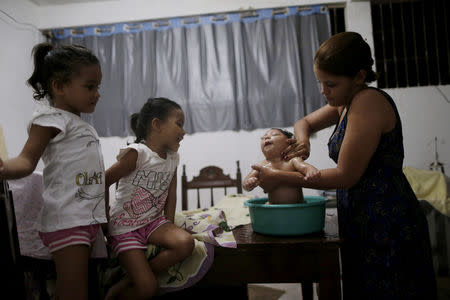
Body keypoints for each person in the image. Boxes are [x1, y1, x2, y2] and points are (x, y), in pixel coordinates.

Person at [251, 32, 437, 299]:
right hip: (358, 212)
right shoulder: (344, 103)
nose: (323, 91)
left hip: (384, 215)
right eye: (320, 82)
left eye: (331, 84)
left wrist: (277, 177)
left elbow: (345, 175)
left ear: (359, 77)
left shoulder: (368, 102)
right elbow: (304, 123)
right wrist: (303, 143)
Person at [0, 43, 107, 300]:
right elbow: (26, 161)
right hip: (67, 220)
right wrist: (4, 167)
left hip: (84, 218)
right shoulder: (50, 119)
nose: (97, 94)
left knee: (71, 291)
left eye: (98, 87)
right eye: (90, 87)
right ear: (58, 86)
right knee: (74, 293)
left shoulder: (78, 122)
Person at [104, 97, 195, 299]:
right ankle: (120, 290)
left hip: (153, 222)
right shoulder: (138, 153)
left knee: (186, 243)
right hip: (125, 227)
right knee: (148, 289)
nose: (184, 131)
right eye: (179, 124)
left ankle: (128, 279)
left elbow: (171, 194)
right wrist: (105, 220)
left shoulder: (173, 157)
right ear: (156, 124)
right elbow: (104, 180)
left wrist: (169, 225)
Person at [242, 128, 320, 204]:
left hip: (297, 207)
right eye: (263, 137)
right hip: (273, 207)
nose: (266, 137)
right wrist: (249, 183)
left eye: (274, 134)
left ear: (289, 142)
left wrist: (311, 171)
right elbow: (245, 184)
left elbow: (305, 167)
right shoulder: (262, 165)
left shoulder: (292, 160)